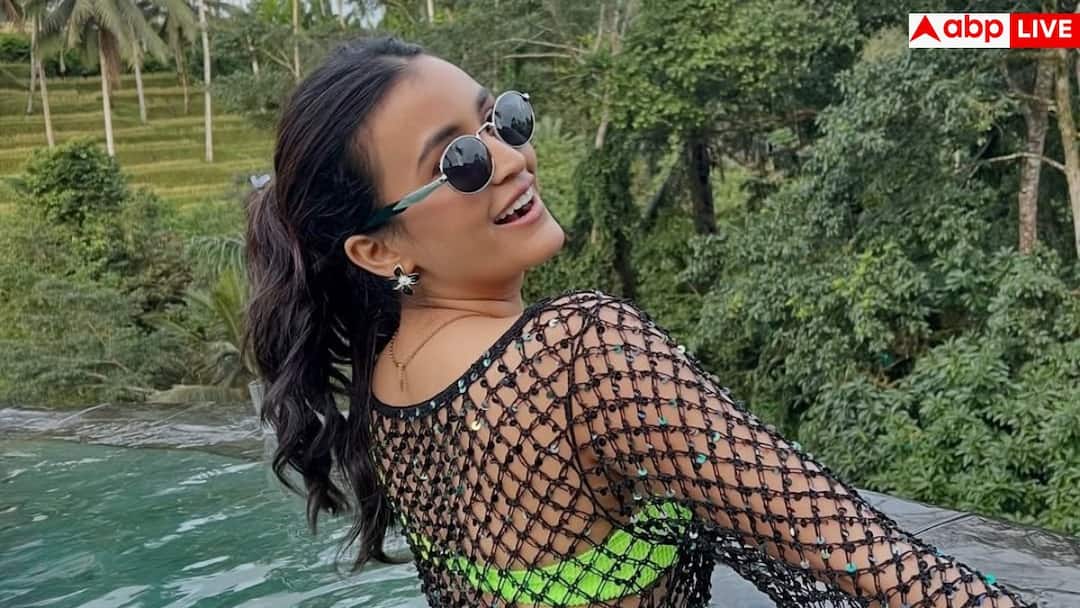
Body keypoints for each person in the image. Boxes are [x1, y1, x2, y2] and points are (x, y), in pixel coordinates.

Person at [243, 36, 1034, 608]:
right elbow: (863, 555)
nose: (512, 158)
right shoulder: (578, 353)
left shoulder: (386, 377)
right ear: (377, 249)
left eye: (502, 120)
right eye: (460, 163)